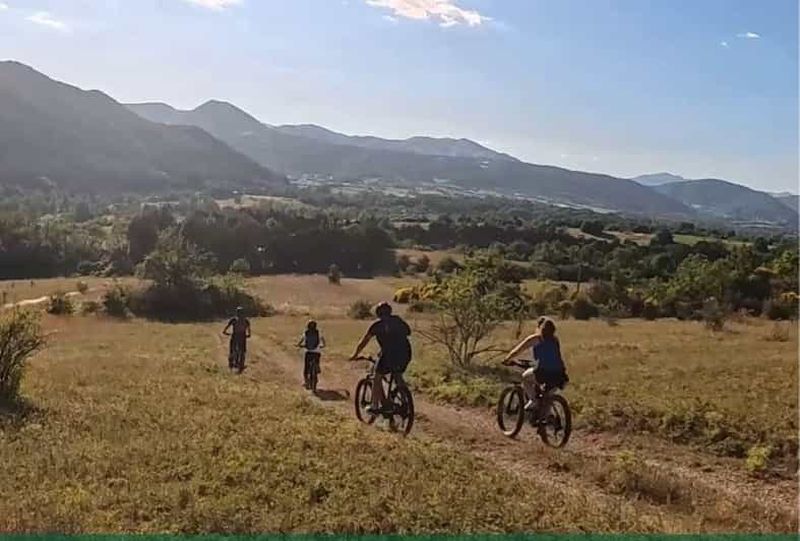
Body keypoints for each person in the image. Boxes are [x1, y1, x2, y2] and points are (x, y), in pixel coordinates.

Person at [350, 301, 411, 415]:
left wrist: (355, 355)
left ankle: (374, 406)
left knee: (377, 377)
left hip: (388, 354)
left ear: (378, 314)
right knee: (397, 374)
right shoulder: (398, 320)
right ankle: (404, 400)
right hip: (405, 352)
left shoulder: (377, 325)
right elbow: (408, 332)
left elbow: (364, 341)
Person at [502, 317, 568, 411]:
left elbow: (518, 350)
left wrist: (507, 359)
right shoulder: (555, 340)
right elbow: (551, 358)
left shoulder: (536, 338)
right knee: (547, 398)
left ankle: (533, 400)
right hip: (560, 374)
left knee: (525, 377)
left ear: (540, 327)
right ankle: (547, 417)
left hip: (544, 372)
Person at [297, 320, 325, 389]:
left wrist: (299, 345)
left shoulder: (306, 333)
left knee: (306, 367)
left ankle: (306, 382)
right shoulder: (318, 332)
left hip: (308, 352)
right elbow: (323, 340)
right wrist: (323, 345)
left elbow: (301, 340)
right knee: (317, 361)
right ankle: (317, 369)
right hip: (317, 352)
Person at [222, 306, 251, 371]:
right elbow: (249, 332)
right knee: (243, 351)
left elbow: (225, 329)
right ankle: (241, 364)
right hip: (242, 337)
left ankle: (231, 363)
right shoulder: (246, 321)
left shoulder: (233, 320)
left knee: (232, 350)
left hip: (235, 336)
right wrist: (248, 335)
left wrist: (226, 333)